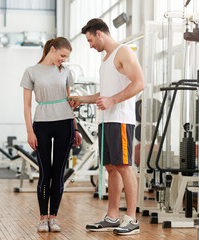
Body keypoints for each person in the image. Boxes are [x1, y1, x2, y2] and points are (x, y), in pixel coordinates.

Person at [70, 18, 145, 235]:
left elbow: (139, 83)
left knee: (124, 166)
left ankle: (132, 219)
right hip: (106, 120)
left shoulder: (124, 52)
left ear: (100, 33)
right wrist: (82, 99)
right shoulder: (106, 60)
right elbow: (104, 95)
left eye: (90, 40)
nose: (90, 45)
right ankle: (112, 217)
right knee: (111, 168)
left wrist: (112, 100)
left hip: (120, 119)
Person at [20, 37, 82, 233]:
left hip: (65, 123)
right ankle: (42, 218)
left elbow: (70, 101)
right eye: (62, 55)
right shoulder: (31, 71)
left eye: (66, 57)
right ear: (52, 49)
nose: (64, 60)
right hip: (42, 125)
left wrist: (76, 128)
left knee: (58, 173)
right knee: (45, 172)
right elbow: (27, 105)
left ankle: (53, 217)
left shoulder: (65, 72)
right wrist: (30, 131)